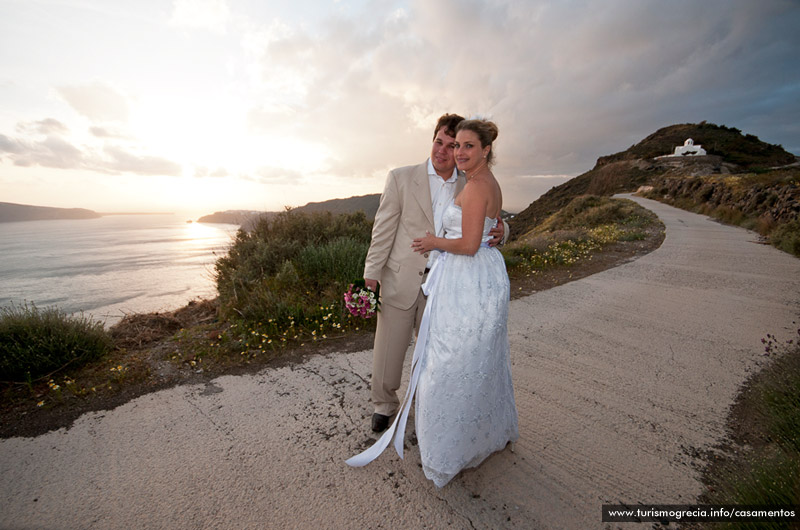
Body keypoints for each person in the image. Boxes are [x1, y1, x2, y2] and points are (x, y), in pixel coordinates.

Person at [347, 118, 518, 488]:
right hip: (401, 276)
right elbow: (384, 227)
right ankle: (384, 405)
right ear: (434, 141)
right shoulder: (401, 177)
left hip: (446, 284)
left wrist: (505, 230)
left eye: (455, 145)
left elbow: (488, 222)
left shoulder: (469, 179)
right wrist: (371, 273)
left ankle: (429, 414)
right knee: (389, 349)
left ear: (476, 149)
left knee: (439, 357)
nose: (447, 151)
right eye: (442, 143)